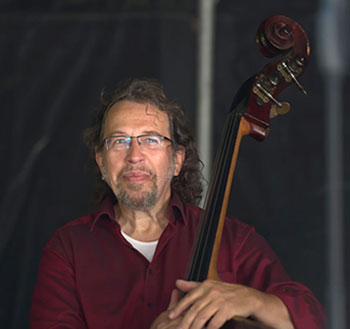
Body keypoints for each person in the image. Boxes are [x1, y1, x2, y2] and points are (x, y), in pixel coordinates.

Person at [30, 78, 326, 329]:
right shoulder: (67, 250)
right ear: (101, 162)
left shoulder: (233, 241)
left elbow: (310, 318)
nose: (134, 156)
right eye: (119, 141)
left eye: (151, 140)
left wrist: (251, 299)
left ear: (177, 160)